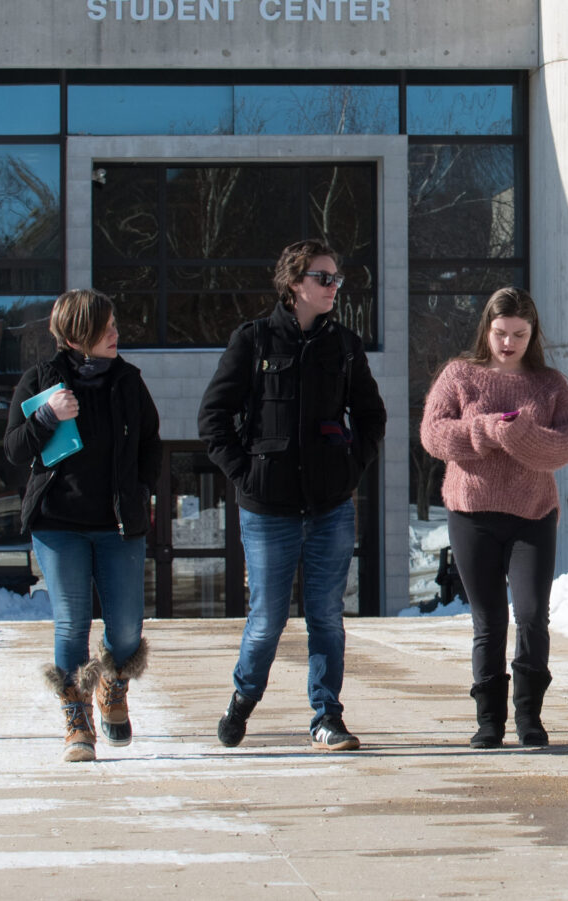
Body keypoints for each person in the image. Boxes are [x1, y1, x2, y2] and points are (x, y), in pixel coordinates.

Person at [197, 239, 388, 752]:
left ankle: (326, 716)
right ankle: (244, 697)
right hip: (268, 510)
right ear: (293, 283)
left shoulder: (344, 347)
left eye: (336, 279)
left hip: (330, 507)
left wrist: (351, 468)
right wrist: (246, 474)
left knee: (326, 615)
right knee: (268, 620)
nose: (333, 287)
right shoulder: (254, 342)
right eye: (323, 278)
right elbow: (213, 419)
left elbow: (372, 416)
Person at [4, 289, 163, 764]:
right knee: (72, 622)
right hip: (58, 524)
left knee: (127, 628)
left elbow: (151, 443)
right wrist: (48, 417)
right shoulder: (42, 381)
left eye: (114, 326)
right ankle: (77, 720)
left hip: (117, 526)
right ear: (78, 333)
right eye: (106, 327)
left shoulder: (128, 382)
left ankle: (112, 685)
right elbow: (14, 448)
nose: (116, 334)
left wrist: (139, 491)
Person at [419, 288, 568, 749]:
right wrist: (486, 429)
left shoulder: (551, 384)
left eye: (519, 334)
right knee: (488, 620)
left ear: (533, 334)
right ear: (486, 330)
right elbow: (433, 435)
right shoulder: (459, 375)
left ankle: (529, 716)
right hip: (472, 515)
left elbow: (563, 447)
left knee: (531, 615)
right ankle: (488, 720)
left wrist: (521, 435)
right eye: (500, 333)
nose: (508, 343)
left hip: (533, 515)